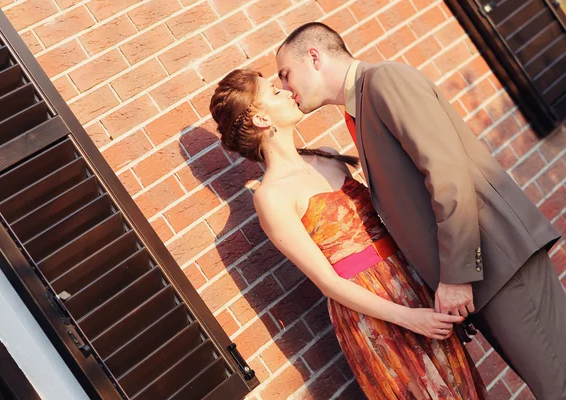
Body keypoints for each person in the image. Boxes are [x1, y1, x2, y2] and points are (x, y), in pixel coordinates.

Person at [276, 22, 565, 399]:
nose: (285, 88)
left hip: (500, 265)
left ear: (313, 57)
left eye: (285, 74)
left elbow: (447, 172)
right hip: (484, 280)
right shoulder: (358, 109)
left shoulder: (384, 82)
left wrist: (458, 276)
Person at [210, 69, 486, 399]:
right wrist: (409, 318)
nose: (286, 91)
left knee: (461, 387)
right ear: (260, 119)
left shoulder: (327, 156)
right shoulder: (271, 197)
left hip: (410, 280)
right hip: (375, 313)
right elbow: (328, 282)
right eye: (273, 91)